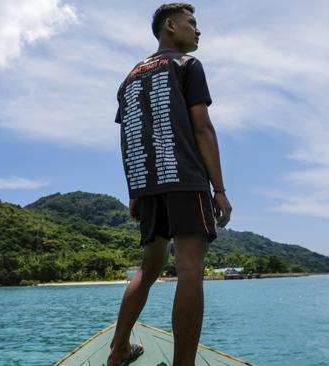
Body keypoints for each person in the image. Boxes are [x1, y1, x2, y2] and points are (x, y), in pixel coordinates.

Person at [107, 3, 232, 366]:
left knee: (150, 267)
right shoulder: (187, 66)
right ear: (171, 26)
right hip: (183, 178)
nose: (198, 30)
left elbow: (128, 139)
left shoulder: (128, 79)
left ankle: (118, 350)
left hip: (147, 185)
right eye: (192, 23)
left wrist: (135, 192)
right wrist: (219, 189)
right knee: (190, 269)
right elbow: (202, 128)